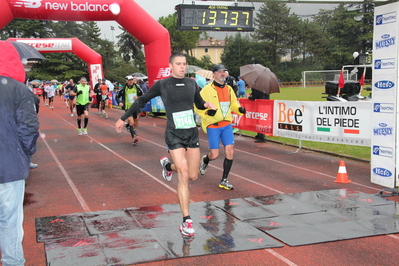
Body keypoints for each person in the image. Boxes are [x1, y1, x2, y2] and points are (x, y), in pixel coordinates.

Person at [115, 52, 216, 237]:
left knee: (193, 175)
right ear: (171, 66)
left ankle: (168, 166)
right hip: (173, 133)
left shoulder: (192, 83)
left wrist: (207, 105)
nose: (182, 67)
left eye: (184, 64)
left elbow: (199, 104)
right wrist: (123, 118)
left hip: (191, 133)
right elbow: (141, 100)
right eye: (178, 64)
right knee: (184, 175)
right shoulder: (163, 84)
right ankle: (186, 220)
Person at [0, 40, 39, 266]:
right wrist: (27, 153)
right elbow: (29, 128)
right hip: (10, 166)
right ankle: (12, 262)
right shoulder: (19, 90)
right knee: (10, 220)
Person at [195, 64, 246, 190]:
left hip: (227, 124)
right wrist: (206, 112)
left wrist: (239, 109)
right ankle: (206, 160)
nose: (222, 73)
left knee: (230, 150)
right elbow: (197, 106)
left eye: (224, 71)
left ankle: (224, 179)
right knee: (215, 154)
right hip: (213, 125)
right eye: (219, 72)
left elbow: (233, 104)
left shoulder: (229, 89)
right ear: (213, 74)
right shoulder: (207, 90)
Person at [116, 75, 144, 145]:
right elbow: (117, 96)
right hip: (128, 108)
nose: (130, 81)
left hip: (136, 106)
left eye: (131, 80)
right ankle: (133, 138)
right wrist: (119, 102)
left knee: (136, 120)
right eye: (129, 80)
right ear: (126, 81)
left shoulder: (137, 87)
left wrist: (138, 97)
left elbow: (143, 95)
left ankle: (129, 126)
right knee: (132, 122)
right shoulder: (123, 88)